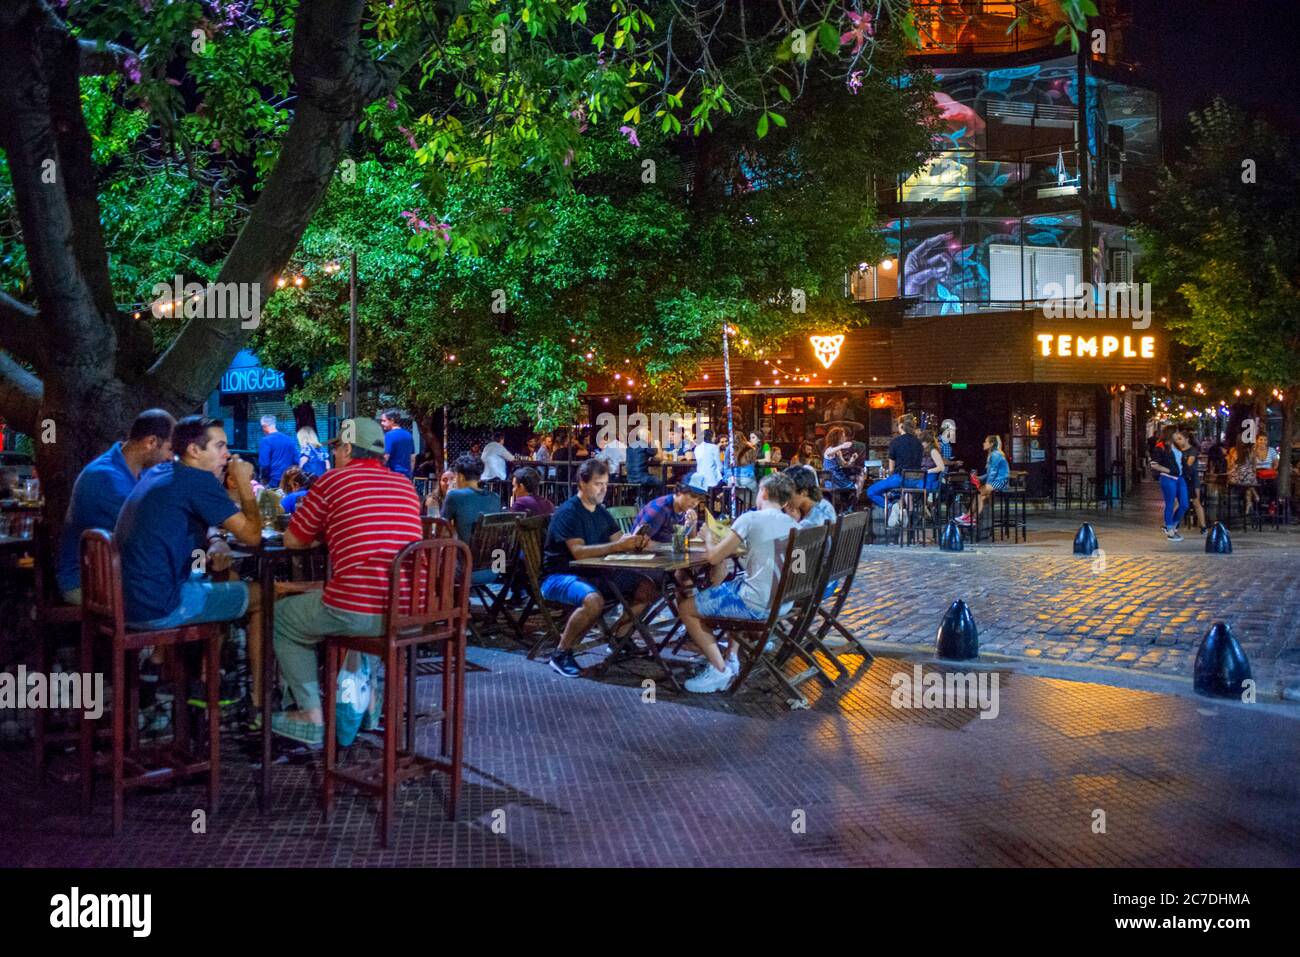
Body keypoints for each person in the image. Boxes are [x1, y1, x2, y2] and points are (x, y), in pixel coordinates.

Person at [271, 417, 424, 743]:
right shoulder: (405, 486)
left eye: (337, 448)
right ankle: (365, 705)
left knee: (283, 617)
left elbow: (293, 540)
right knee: (363, 608)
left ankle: (310, 715)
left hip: (360, 611)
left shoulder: (332, 482)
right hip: (412, 612)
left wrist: (326, 533)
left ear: (345, 449)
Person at [114, 416, 265, 705]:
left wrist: (215, 539)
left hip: (127, 600)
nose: (227, 454)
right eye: (219, 446)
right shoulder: (198, 481)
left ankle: (201, 680)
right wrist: (245, 484)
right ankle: (257, 703)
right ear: (194, 451)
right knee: (262, 595)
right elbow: (253, 536)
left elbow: (196, 519)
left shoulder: (160, 472)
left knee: (227, 580)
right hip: (161, 606)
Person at [674, 473, 799, 693]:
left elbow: (714, 558)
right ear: (786, 501)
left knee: (686, 608)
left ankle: (719, 670)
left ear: (764, 492)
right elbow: (799, 568)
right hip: (783, 602)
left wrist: (709, 537)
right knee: (729, 587)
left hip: (756, 606)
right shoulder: (795, 525)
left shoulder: (750, 519)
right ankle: (731, 656)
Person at [539, 458, 658, 679]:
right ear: (582, 484)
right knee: (593, 601)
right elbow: (579, 552)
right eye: (597, 483)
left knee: (646, 588)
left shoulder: (600, 511)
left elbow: (618, 537)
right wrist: (619, 545)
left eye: (605, 484)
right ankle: (561, 653)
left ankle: (619, 638)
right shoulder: (569, 512)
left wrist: (634, 541)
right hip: (560, 576)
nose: (603, 489)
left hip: (594, 573)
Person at [56, 409, 175, 604]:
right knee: (192, 592)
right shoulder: (105, 477)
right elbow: (153, 530)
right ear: (151, 442)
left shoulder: (142, 472)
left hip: (118, 577)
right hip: (85, 584)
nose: (171, 457)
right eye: (170, 449)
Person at [440, 454, 502, 546]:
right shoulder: (495, 498)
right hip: (490, 556)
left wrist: (449, 493)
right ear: (479, 478)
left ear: (460, 476)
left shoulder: (454, 495)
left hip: (464, 556)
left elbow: (441, 529)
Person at [866, 415, 923, 510]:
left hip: (899, 479)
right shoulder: (919, 443)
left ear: (901, 426)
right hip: (917, 481)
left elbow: (891, 469)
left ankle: (891, 506)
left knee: (871, 491)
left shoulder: (895, 442)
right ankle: (899, 505)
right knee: (898, 490)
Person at [957, 435, 1009, 526]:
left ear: (991, 444)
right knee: (980, 496)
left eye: (986, 441)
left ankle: (969, 517)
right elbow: (989, 473)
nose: (983, 443)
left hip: (1000, 482)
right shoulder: (992, 454)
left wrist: (987, 486)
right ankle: (970, 518)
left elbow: (993, 474)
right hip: (996, 481)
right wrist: (979, 478)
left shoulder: (995, 454)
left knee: (979, 492)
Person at [1150, 426, 1190, 542]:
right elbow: (1154, 464)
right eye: (1176, 432)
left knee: (1184, 504)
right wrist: (1169, 470)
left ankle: (1173, 524)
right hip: (1168, 478)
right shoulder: (1160, 447)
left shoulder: (1177, 446)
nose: (1178, 435)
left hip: (1180, 477)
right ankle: (1170, 530)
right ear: (1170, 433)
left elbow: (1181, 461)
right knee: (1170, 503)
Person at [630, 483, 706, 543]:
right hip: (649, 558)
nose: (695, 503)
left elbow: (689, 539)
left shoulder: (683, 509)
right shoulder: (660, 509)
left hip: (667, 555)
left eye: (699, 499)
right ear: (679, 492)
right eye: (693, 496)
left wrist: (692, 523)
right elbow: (636, 541)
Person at [783, 465, 836, 529]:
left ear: (804, 492)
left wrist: (792, 521)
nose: (785, 498)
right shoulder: (824, 504)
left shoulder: (810, 522)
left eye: (788, 493)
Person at [257, 415, 298, 487]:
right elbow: (296, 460)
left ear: (264, 426)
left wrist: (264, 479)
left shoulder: (266, 441)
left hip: (273, 480)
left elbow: (264, 464)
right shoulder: (290, 439)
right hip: (289, 480)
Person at [626, 427, 665, 491]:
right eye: (651, 436)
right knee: (659, 482)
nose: (652, 438)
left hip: (630, 478)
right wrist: (658, 444)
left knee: (650, 482)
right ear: (648, 437)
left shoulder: (630, 447)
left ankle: (645, 498)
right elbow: (660, 457)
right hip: (641, 478)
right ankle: (657, 500)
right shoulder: (645, 445)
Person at [1227, 438, 1259, 514]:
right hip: (1247, 478)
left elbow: (1230, 465)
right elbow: (1254, 466)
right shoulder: (1250, 452)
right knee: (1249, 482)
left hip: (1236, 478)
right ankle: (1253, 496)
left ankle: (1249, 505)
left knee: (1247, 483)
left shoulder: (1233, 451)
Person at [379, 409, 415, 477]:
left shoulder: (389, 435)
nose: (382, 423)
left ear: (392, 420)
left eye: (384, 421)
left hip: (393, 475)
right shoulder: (408, 435)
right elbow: (412, 458)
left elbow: (386, 457)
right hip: (406, 476)